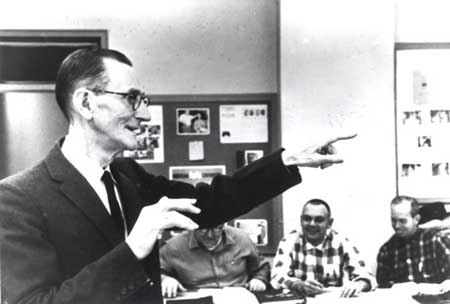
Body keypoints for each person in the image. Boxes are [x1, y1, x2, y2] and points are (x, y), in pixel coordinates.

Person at [0, 48, 356, 304]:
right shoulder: (18, 199)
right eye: (132, 98)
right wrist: (132, 249)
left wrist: (288, 161)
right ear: (86, 103)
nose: (146, 114)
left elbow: (213, 201)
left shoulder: (127, 175)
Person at [271, 198, 375, 298]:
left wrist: (360, 284)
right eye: (307, 219)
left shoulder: (342, 243)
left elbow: (367, 276)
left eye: (319, 220)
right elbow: (276, 276)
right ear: (301, 220)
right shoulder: (289, 241)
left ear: (329, 223)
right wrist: (296, 284)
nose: (312, 224)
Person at [159, 224, 269, 298]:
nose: (210, 235)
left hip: (237, 298)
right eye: (203, 229)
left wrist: (259, 279)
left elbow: (261, 267)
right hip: (197, 300)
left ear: (224, 225)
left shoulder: (241, 239)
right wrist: (165, 279)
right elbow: (156, 273)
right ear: (192, 226)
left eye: (217, 228)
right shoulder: (173, 246)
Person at [376, 196, 450, 292]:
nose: (397, 226)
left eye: (402, 221)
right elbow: (383, 286)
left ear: (416, 219)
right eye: (393, 220)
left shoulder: (436, 240)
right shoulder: (386, 250)